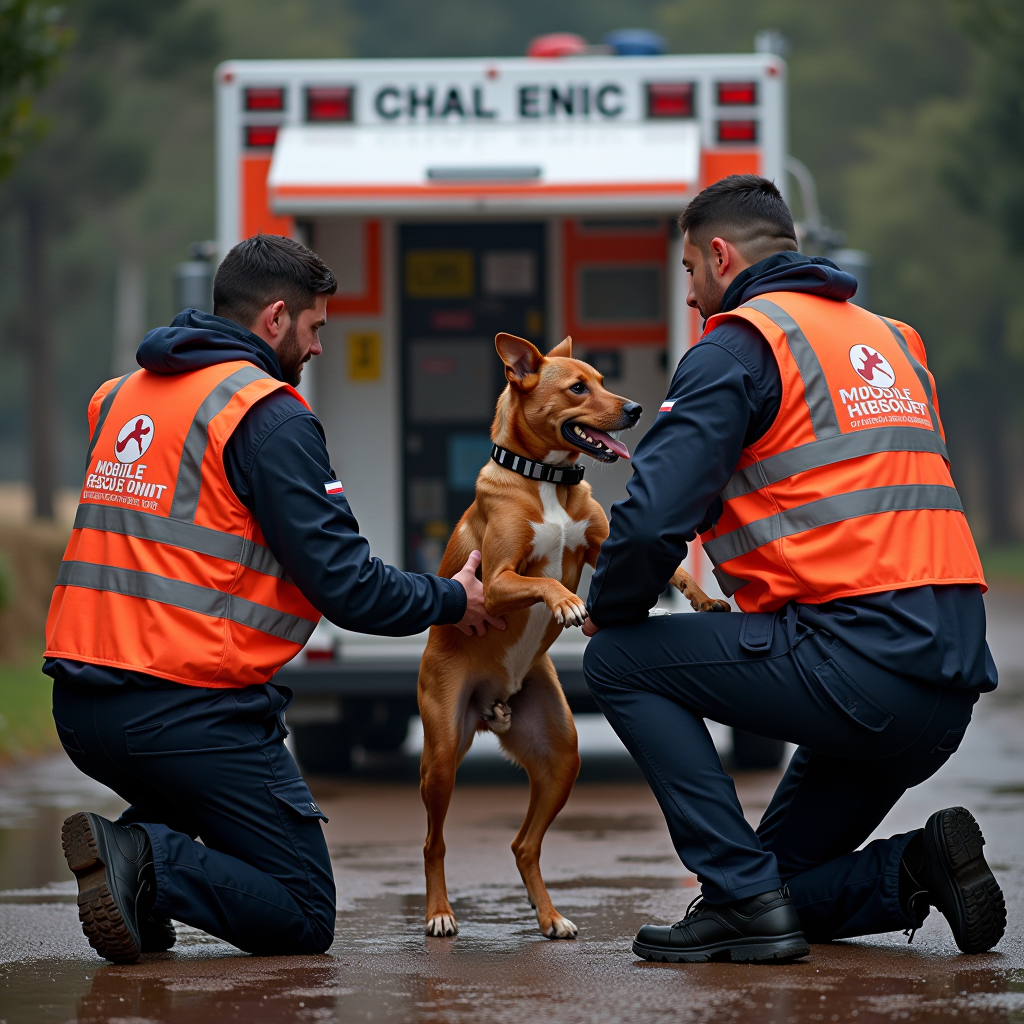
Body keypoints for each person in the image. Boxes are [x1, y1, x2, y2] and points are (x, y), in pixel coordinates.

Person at [45, 233, 504, 963]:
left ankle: (127, 871)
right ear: (276, 318)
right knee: (301, 910)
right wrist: (452, 597)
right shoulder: (267, 415)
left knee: (195, 800)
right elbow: (347, 585)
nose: (319, 347)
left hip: (81, 706)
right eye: (317, 328)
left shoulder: (121, 396)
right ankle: (144, 860)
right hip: (186, 709)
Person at [582, 175, 1006, 963]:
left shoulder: (740, 344)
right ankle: (916, 868)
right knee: (766, 884)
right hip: (944, 691)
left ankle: (743, 900)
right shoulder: (894, 341)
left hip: (856, 667)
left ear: (719, 255)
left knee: (616, 661)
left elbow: (646, 523)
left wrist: (612, 608)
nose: (691, 298)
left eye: (688, 273)